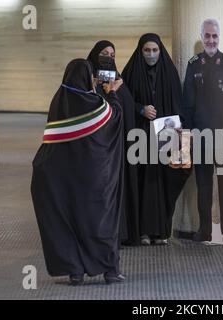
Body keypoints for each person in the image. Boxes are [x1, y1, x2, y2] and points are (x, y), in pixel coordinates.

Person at [31, 59, 126, 285]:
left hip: (61, 177)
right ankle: (109, 271)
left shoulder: (58, 100)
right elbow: (115, 117)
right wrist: (112, 93)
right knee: (99, 220)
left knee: (68, 221)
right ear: (85, 77)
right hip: (92, 179)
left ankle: (75, 271)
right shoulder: (94, 103)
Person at [122, 33, 190, 246]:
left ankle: (160, 231)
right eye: (147, 50)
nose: (151, 54)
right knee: (143, 182)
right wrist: (140, 109)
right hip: (139, 137)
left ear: (161, 50)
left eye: (155, 50)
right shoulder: (131, 73)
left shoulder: (169, 73)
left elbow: (178, 105)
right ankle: (142, 231)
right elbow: (123, 101)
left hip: (164, 138)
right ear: (140, 51)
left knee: (162, 181)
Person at [180, 19, 223, 245]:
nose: (211, 40)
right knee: (204, 188)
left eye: (214, 36)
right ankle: (204, 231)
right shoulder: (193, 64)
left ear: (219, 37)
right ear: (202, 37)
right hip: (202, 136)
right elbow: (187, 102)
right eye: (207, 36)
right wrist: (190, 133)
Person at [87, 40, 141, 246]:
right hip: (101, 149)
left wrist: (116, 91)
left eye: (112, 55)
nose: (108, 58)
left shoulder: (118, 79)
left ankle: (121, 232)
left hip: (122, 145)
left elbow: (125, 106)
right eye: (103, 54)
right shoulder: (89, 84)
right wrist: (105, 91)